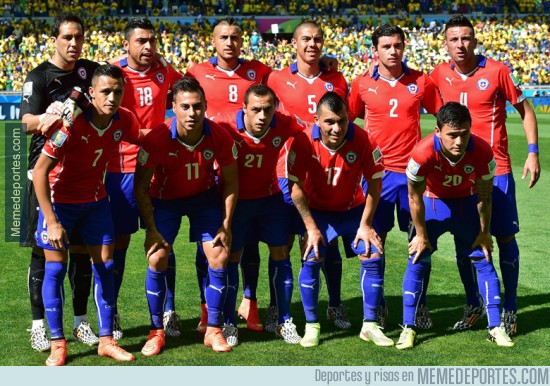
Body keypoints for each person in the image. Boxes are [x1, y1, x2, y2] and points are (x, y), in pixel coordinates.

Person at [429, 14, 541, 335]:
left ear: (475, 41)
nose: (460, 45)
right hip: (458, 173)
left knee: (505, 238)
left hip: (497, 170)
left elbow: (525, 110)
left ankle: (510, 307)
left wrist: (532, 152)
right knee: (466, 241)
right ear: (446, 44)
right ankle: (474, 303)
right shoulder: (438, 74)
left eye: (466, 38)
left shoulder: (496, 71)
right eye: (454, 39)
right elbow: (405, 86)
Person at [32, 64, 139, 366]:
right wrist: (52, 221)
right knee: (54, 271)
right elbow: (39, 173)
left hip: (96, 204)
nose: (112, 96)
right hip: (61, 204)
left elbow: (145, 142)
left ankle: (106, 341)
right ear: (91, 93)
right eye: (105, 91)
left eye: (118, 91)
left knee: (105, 267)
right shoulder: (71, 125)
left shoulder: (124, 120)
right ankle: (57, 343)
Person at [134, 77, 238, 355]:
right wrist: (151, 229)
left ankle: (213, 330)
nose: (192, 113)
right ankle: (156, 332)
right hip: (165, 200)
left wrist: (226, 223)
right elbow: (141, 186)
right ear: (173, 107)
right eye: (185, 107)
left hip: (204, 199)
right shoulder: (156, 138)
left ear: (205, 106)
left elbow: (230, 181)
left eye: (197, 106)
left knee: (219, 254)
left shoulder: (219, 135)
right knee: (157, 257)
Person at [397, 102, 514, 350]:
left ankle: (495, 327)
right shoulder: (422, 153)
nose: (459, 142)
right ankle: (408, 327)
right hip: (432, 203)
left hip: (465, 203)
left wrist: (484, 232)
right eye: (452, 135)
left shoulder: (483, 152)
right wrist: (420, 235)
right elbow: (413, 197)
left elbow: (485, 196)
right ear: (438, 131)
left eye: (464, 134)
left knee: (483, 258)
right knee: (417, 258)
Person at [348, 24, 443, 329]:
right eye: (386, 46)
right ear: (374, 51)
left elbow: (442, 119)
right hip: (378, 174)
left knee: (418, 240)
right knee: (375, 241)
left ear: (404, 47)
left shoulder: (421, 81)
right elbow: (345, 123)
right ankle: (377, 308)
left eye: (398, 45)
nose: (393, 51)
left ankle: (419, 306)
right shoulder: (361, 84)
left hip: (413, 175)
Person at [185, 17, 272, 333]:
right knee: (206, 243)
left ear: (242, 40)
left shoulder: (259, 71)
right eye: (224, 37)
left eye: (235, 37)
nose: (230, 42)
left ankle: (250, 303)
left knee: (246, 241)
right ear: (213, 40)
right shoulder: (196, 72)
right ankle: (207, 307)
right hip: (208, 172)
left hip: (248, 170)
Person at [20, 13, 100, 351]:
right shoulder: (38, 77)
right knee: (43, 252)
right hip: (45, 173)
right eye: (67, 37)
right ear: (54, 39)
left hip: (80, 175)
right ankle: (39, 324)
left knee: (81, 252)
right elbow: (25, 124)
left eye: (78, 37)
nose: (73, 43)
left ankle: (81, 322)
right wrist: (47, 117)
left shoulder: (89, 70)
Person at [266, 21, 350, 332]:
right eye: (306, 39)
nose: (312, 44)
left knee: (328, 242)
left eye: (317, 39)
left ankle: (335, 305)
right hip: (287, 173)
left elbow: (345, 124)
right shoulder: (275, 79)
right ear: (294, 44)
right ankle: (279, 308)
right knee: (284, 243)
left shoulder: (337, 79)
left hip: (327, 174)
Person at [287, 92, 389, 348]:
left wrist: (365, 224)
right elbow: (295, 188)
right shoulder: (302, 141)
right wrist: (310, 228)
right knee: (311, 257)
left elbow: (375, 185)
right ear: (317, 120)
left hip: (352, 211)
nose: (337, 128)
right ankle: (312, 325)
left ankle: (370, 325)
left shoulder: (364, 139)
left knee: (373, 254)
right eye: (330, 121)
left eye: (342, 121)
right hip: (318, 212)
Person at [212, 84, 305, 346]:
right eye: (256, 110)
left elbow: (313, 129)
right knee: (231, 258)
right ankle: (229, 321)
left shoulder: (284, 122)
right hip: (236, 203)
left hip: (270, 200)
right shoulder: (224, 124)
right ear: (244, 109)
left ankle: (283, 319)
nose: (263, 116)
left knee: (281, 254)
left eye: (268, 110)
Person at [108, 18, 183, 340]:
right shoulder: (112, 73)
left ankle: (169, 310)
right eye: (141, 41)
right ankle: (110, 313)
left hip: (158, 169)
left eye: (152, 41)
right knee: (119, 243)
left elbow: (189, 87)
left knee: (163, 242)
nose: (148, 47)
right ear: (127, 44)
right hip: (120, 169)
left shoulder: (164, 72)